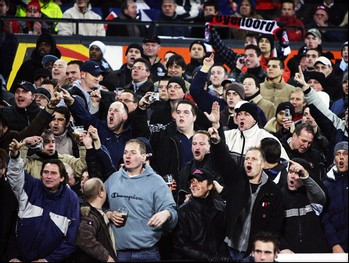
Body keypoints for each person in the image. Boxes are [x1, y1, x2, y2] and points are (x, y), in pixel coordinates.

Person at [210, 124, 284, 261]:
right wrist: (216, 141)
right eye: (247, 159)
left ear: (263, 164)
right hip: (228, 249)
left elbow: (274, 228)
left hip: (252, 253)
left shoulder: (273, 192)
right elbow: (223, 160)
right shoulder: (236, 179)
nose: (249, 161)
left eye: (254, 159)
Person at [6, 138, 80, 262]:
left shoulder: (71, 199)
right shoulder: (32, 186)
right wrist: (14, 156)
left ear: (62, 178)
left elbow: (70, 240)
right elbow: (15, 176)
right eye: (45, 172)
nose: (49, 176)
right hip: (20, 258)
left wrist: (48, 260)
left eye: (53, 173)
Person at [104, 138, 178, 261]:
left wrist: (167, 213)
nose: (127, 156)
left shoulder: (156, 181)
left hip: (147, 253)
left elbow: (173, 212)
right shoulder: (113, 179)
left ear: (143, 157)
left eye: (133, 153)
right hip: (118, 252)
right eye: (125, 152)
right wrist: (109, 214)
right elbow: (97, 205)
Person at [172, 168, 231, 261]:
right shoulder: (183, 211)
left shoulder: (221, 209)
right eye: (192, 181)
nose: (194, 185)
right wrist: (209, 258)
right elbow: (181, 244)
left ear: (210, 186)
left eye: (199, 181)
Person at [279, 158, 329, 253]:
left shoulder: (311, 196)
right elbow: (273, 227)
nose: (293, 176)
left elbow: (322, 196)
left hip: (315, 253)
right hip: (290, 255)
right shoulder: (279, 196)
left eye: (298, 174)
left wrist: (305, 174)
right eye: (290, 172)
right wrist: (283, 247)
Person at [224, 102, 289, 167]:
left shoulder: (266, 138)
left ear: (254, 120)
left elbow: (285, 164)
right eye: (239, 114)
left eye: (246, 114)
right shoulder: (228, 135)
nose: (241, 117)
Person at [74, 177, 117, 262]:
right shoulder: (88, 216)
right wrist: (107, 257)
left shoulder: (97, 213)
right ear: (100, 193)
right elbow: (85, 239)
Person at [20, 128, 87, 179]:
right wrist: (24, 144)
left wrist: (82, 145)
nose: (51, 145)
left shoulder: (66, 159)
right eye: (46, 142)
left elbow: (81, 168)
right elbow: (18, 169)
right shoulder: (31, 162)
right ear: (37, 143)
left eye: (53, 141)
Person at [321, 141, 348, 253]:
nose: (341, 157)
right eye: (338, 154)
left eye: (345, 154)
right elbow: (325, 217)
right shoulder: (326, 184)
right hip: (336, 246)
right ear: (334, 160)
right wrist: (334, 244)